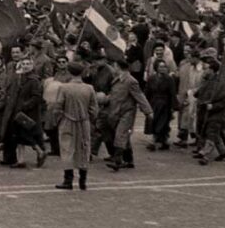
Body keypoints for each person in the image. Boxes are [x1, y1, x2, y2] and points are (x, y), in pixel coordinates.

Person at [54, 61, 97, 190]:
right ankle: (83, 181)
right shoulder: (89, 88)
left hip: (67, 120)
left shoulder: (64, 88)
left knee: (67, 149)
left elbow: (57, 107)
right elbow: (94, 109)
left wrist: (59, 120)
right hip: (84, 122)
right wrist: (90, 119)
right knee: (84, 148)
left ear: (69, 72)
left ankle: (68, 180)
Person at [104, 59, 152, 172]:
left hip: (127, 113)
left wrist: (148, 111)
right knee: (123, 136)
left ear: (117, 66)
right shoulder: (117, 79)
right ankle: (129, 160)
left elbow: (140, 96)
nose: (113, 68)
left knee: (120, 135)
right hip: (116, 112)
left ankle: (117, 161)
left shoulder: (131, 81)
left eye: (114, 66)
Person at [144, 60, 177, 151]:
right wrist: (144, 104)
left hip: (165, 104)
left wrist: (173, 107)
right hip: (154, 103)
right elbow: (147, 91)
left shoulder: (169, 79)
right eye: (160, 67)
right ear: (156, 68)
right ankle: (163, 141)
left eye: (164, 67)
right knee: (153, 122)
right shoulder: (151, 78)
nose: (162, 69)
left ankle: (154, 141)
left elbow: (172, 93)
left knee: (162, 123)